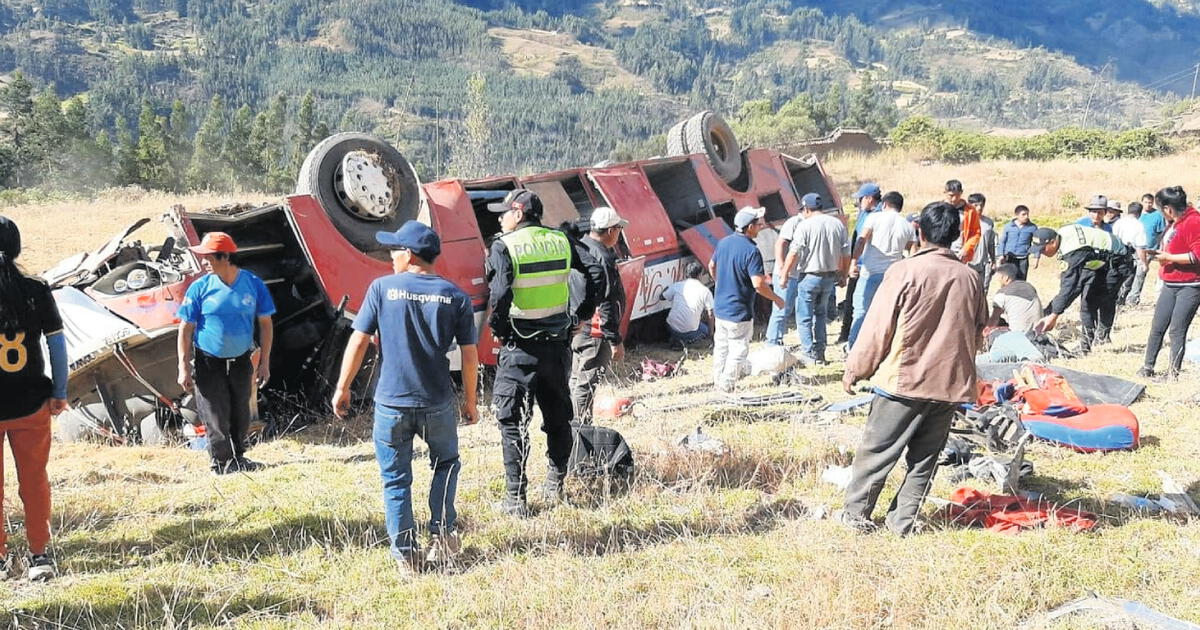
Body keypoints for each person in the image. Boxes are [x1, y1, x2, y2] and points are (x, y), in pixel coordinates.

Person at [331, 221, 478, 571]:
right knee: (445, 465)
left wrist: (342, 386)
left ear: (409, 255)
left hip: (391, 403)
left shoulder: (381, 289)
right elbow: (470, 354)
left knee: (396, 479)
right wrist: (470, 400)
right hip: (437, 401)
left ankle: (406, 557)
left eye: (394, 250)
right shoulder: (455, 295)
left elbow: (359, 340)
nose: (391, 257)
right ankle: (442, 539)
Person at [840, 202, 987, 535]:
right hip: (949, 384)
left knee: (877, 452)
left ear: (919, 231)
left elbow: (878, 328)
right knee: (925, 460)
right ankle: (903, 520)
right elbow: (979, 332)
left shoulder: (905, 271)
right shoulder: (970, 277)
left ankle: (856, 516)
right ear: (956, 236)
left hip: (903, 381)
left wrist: (856, 370)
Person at [484, 189, 601, 516]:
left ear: (518, 213)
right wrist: (580, 315)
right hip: (557, 347)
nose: (499, 218)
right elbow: (595, 272)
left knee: (511, 419)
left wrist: (500, 329)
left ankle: (515, 498)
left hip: (519, 347)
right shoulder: (561, 240)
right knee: (557, 417)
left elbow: (500, 294)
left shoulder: (504, 246)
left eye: (503, 212)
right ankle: (555, 484)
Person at [0, 216, 66, 581]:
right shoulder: (36, 288)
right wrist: (59, 391)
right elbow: (56, 345)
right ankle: (40, 556)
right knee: (34, 482)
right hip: (31, 403)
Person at [177, 232, 274, 475]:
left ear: (225, 256)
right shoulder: (199, 287)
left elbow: (265, 324)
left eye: (208, 257)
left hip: (241, 359)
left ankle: (238, 458)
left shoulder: (253, 284)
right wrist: (183, 367)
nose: (204, 262)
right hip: (209, 360)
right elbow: (185, 329)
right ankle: (220, 462)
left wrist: (264, 364)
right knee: (214, 412)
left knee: (241, 410)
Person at [709, 206, 786, 392]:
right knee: (738, 349)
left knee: (721, 346)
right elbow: (758, 285)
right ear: (749, 227)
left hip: (720, 307)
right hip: (738, 311)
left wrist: (720, 282)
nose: (760, 227)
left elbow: (712, 265)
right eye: (758, 224)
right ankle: (726, 385)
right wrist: (776, 298)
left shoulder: (724, 242)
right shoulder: (751, 251)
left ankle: (717, 378)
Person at [1031, 223, 1134, 353]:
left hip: (1118, 262)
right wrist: (1050, 311)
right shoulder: (1062, 234)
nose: (1042, 254)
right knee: (1087, 299)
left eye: (1042, 250)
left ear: (1052, 242)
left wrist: (1054, 315)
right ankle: (1096, 339)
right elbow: (1072, 287)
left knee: (1091, 302)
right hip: (1098, 261)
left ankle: (1092, 342)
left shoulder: (1073, 251)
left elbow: (1069, 287)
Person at [570, 206, 628, 425]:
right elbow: (606, 301)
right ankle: (581, 429)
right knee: (586, 381)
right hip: (595, 330)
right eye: (620, 229)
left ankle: (572, 424)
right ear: (611, 230)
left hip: (579, 326)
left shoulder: (581, 247)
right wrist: (614, 339)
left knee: (576, 378)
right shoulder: (602, 257)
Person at [779, 193, 850, 364]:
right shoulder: (837, 224)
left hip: (809, 276)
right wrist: (843, 275)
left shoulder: (805, 225)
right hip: (829, 277)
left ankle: (809, 354)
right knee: (820, 315)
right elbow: (846, 253)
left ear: (807, 208)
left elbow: (794, 251)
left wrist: (784, 275)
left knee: (803, 317)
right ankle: (820, 352)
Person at [1139, 186, 1200, 379]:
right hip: (1170, 282)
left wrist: (1170, 257)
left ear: (1168, 209)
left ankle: (1173, 372)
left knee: (1177, 329)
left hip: (1190, 285)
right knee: (1158, 326)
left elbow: (1197, 255)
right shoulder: (1173, 223)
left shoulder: (1193, 222)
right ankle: (1147, 366)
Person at [847, 191, 915, 348]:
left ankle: (854, 347)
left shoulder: (874, 218)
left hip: (869, 274)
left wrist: (853, 262)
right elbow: (912, 251)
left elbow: (861, 241)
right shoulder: (907, 225)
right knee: (887, 316)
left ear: (884, 204)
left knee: (861, 313)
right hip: (893, 277)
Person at [839, 183, 881, 345]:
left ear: (869, 199)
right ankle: (845, 333)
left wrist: (854, 262)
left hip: (868, 266)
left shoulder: (877, 216)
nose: (859, 201)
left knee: (863, 302)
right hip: (857, 263)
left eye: (861, 198)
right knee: (851, 299)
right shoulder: (863, 213)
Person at [766, 209, 805, 346]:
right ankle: (772, 342)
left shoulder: (806, 223)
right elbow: (780, 243)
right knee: (781, 309)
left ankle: (778, 338)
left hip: (797, 272)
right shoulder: (794, 222)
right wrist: (782, 268)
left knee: (787, 309)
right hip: (787, 274)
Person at [662, 262, 714, 347]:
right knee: (705, 330)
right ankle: (686, 342)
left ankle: (677, 339)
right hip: (689, 332)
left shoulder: (677, 285)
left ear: (686, 274)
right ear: (700, 274)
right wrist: (711, 335)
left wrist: (666, 288)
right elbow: (711, 314)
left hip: (671, 327)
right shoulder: (705, 291)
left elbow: (662, 297)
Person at [1132, 193, 1168, 305]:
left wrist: (1161, 247)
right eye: (1146, 202)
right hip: (1140, 248)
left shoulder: (1158, 215)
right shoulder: (1138, 215)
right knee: (1138, 273)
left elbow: (1161, 232)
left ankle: (1158, 297)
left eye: (1150, 202)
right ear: (1142, 202)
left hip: (1153, 248)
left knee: (1158, 272)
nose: (1148, 205)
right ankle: (1131, 297)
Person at [1111, 201, 1149, 305]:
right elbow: (1140, 247)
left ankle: (1116, 298)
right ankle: (1127, 299)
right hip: (1130, 253)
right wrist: (1144, 263)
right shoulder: (1138, 225)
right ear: (1139, 213)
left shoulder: (1118, 222)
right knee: (1131, 276)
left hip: (1116, 252)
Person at [988, 264, 1042, 333]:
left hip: (1017, 336)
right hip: (1039, 333)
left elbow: (994, 320)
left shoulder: (1002, 293)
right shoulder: (1030, 287)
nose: (998, 281)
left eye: (999, 277)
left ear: (1006, 278)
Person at [996, 205, 1038, 280]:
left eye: (1027, 214)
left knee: (1021, 280)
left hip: (1023, 258)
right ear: (1017, 215)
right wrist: (1001, 255)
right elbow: (1003, 241)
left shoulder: (1032, 227)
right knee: (1008, 279)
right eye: (1023, 214)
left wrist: (1036, 258)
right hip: (1009, 258)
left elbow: (1036, 243)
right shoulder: (1008, 226)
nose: (1026, 217)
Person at [946, 180, 981, 263]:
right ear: (945, 192)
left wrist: (966, 248)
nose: (954, 199)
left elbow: (976, 233)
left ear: (961, 193)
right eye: (951, 195)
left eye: (957, 195)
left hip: (960, 252)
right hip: (942, 250)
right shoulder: (939, 208)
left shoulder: (970, 211)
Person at [968, 193, 996, 292]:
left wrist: (994, 260)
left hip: (983, 262)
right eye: (976, 205)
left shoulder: (988, 223)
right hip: (968, 262)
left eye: (981, 205)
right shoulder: (964, 221)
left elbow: (991, 243)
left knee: (983, 290)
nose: (979, 208)